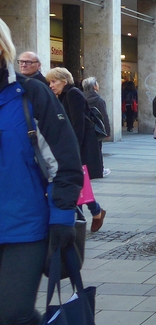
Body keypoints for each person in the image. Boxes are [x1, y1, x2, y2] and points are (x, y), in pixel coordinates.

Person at [0, 18, 83, 325]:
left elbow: (66, 160)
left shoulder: (30, 95)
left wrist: (63, 214)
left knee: (14, 310)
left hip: (26, 225)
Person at [46, 67, 107, 232]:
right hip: (72, 146)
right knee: (78, 181)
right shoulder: (64, 95)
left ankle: (87, 214)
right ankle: (93, 212)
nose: (50, 85)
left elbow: (77, 125)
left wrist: (73, 152)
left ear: (64, 81)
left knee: (76, 181)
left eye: (54, 81)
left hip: (79, 147)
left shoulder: (73, 94)